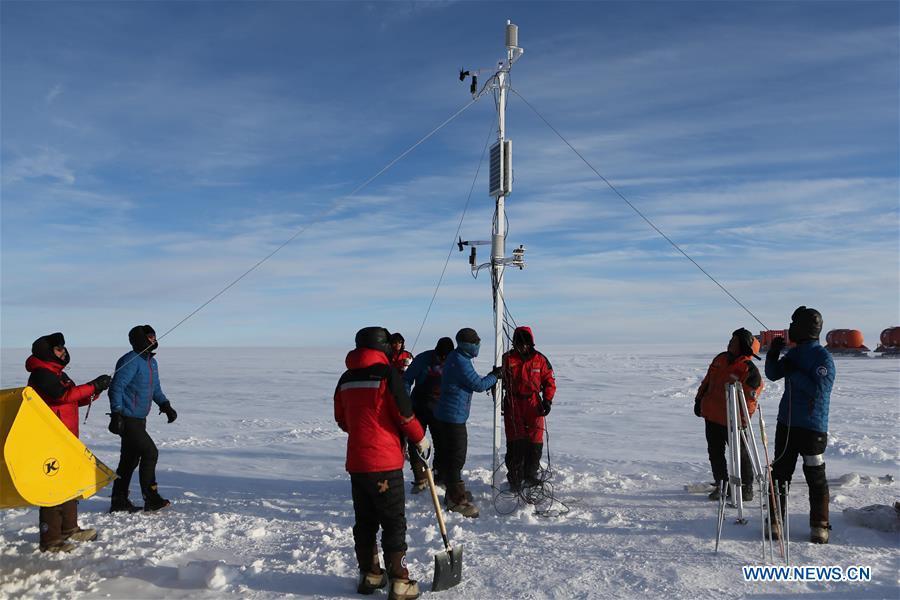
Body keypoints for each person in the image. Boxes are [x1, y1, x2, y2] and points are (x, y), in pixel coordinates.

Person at [335, 326, 429, 600]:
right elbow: (404, 415)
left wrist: (361, 430)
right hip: (385, 463)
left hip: (358, 463)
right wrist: (421, 439)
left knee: (365, 521)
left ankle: (370, 574)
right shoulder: (387, 374)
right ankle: (400, 581)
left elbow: (341, 418)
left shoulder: (346, 378)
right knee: (393, 522)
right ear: (382, 346)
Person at [25, 332, 111, 552]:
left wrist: (96, 390)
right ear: (47, 352)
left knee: (69, 483)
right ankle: (51, 540)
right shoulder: (41, 374)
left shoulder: (59, 374)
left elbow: (74, 398)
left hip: (67, 439)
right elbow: (62, 396)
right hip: (49, 440)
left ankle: (69, 529)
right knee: (52, 487)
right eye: (58, 349)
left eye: (63, 348)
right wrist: (92, 385)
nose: (63, 352)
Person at [765, 306, 835, 544]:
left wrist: (794, 373)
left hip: (812, 427)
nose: (790, 329)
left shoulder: (823, 358)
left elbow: (818, 390)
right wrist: (773, 354)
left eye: (794, 325)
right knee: (779, 475)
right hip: (786, 425)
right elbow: (773, 374)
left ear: (807, 328)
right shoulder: (794, 354)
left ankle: (820, 526)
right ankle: (775, 521)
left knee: (815, 476)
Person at [108, 325, 177, 513]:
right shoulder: (131, 360)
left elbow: (155, 389)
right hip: (127, 419)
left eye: (154, 336)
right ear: (141, 339)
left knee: (129, 460)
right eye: (150, 337)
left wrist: (165, 405)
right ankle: (151, 497)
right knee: (150, 452)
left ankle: (119, 500)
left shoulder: (151, 362)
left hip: (139, 419)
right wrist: (116, 414)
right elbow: (116, 388)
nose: (154, 339)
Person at [433, 327, 501, 518]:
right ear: (467, 344)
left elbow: (473, 381)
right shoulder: (460, 361)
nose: (478, 345)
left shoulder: (459, 357)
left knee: (452, 456)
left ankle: (453, 492)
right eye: (475, 342)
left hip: (449, 414)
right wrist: (495, 376)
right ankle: (456, 500)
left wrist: (492, 376)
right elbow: (478, 385)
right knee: (456, 458)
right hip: (452, 416)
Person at [693, 328, 764, 502]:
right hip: (712, 415)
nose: (730, 343)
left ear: (743, 345)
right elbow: (707, 381)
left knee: (741, 455)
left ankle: (745, 488)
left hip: (733, 420)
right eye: (730, 340)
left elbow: (751, 399)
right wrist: (699, 399)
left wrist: (743, 419)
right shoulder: (720, 359)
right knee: (715, 453)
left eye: (734, 341)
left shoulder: (749, 369)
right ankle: (722, 485)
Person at [500, 326, 556, 491]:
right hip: (513, 403)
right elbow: (498, 379)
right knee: (515, 440)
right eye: (519, 344)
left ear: (530, 343)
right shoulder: (507, 358)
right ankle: (515, 478)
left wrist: (547, 400)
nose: (522, 347)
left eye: (525, 344)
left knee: (535, 440)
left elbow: (549, 381)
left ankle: (530, 475)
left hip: (533, 404)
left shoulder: (540, 359)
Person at [403, 336, 454, 493]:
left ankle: (439, 476)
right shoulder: (423, 359)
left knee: (442, 443)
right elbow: (406, 379)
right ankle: (420, 478)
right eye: (440, 356)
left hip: (440, 409)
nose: (442, 359)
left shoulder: (454, 362)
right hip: (418, 405)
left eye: (445, 357)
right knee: (415, 442)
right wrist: (405, 402)